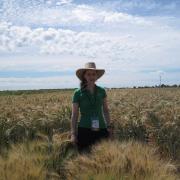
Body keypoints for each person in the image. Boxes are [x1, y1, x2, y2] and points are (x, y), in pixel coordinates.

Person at [70, 62, 112, 152]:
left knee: (104, 159)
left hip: (101, 128)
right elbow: (74, 115)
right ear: (84, 76)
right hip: (84, 129)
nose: (91, 77)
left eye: (93, 74)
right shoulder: (77, 93)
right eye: (88, 74)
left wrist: (109, 126)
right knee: (85, 159)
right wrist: (73, 133)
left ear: (96, 76)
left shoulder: (101, 91)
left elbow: (106, 110)